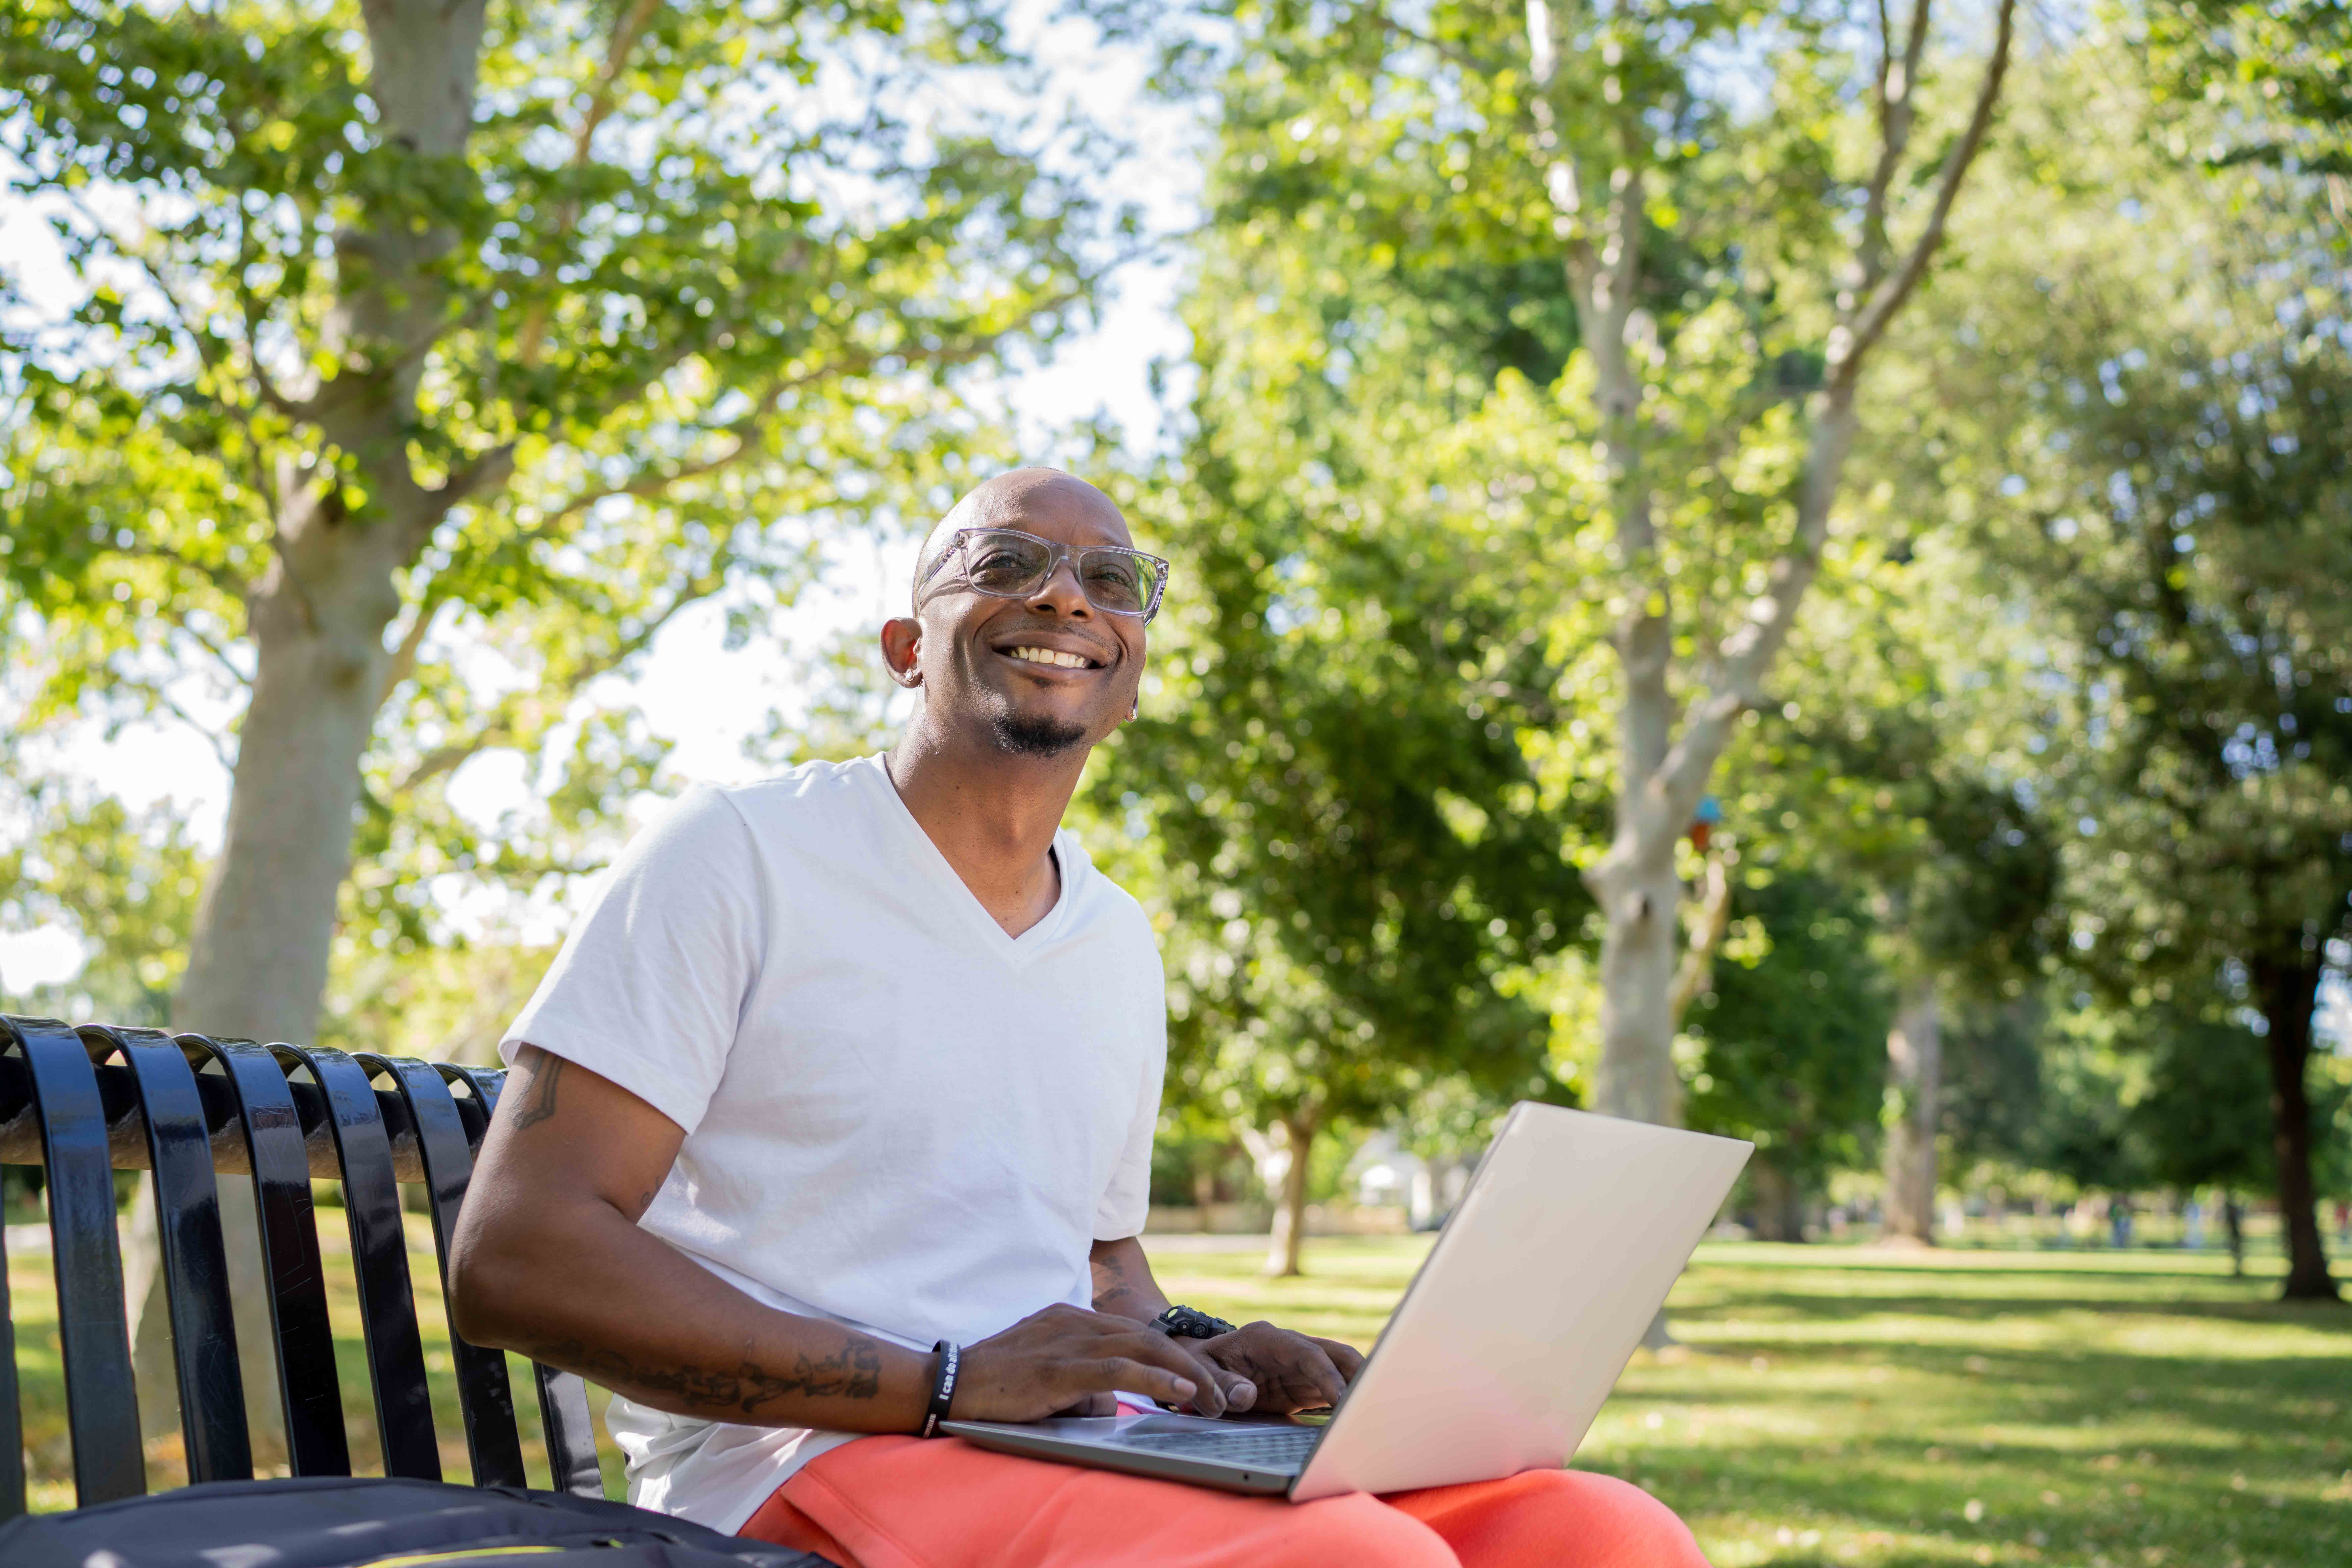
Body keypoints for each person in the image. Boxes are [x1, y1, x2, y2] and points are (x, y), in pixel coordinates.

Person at [449, 469, 1710, 1568]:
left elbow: (1103, 1275)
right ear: (905, 644)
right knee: (1350, 1559)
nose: (1066, 597)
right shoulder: (735, 854)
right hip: (790, 1471)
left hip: (1061, 1446)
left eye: (1113, 580)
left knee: (1603, 1534)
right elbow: (517, 1255)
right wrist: (947, 1385)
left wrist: (1209, 1360)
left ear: (1133, 679)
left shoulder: (1116, 942)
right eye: (1006, 564)